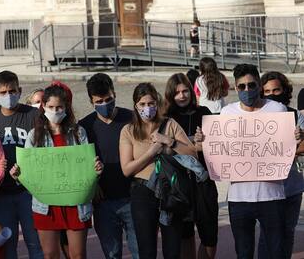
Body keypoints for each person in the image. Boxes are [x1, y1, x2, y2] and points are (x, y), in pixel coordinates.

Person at [195, 64, 299, 259]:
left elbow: (288, 146)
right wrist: (202, 140)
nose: (247, 90)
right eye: (241, 86)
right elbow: (215, 148)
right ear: (235, 88)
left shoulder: (278, 110)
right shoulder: (226, 114)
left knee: (275, 252)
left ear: (259, 85)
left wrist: (296, 136)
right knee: (243, 253)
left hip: (272, 196)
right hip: (239, 199)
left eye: (251, 85)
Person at [11, 84, 103, 259]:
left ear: (66, 107)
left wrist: (97, 170)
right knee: (50, 255)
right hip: (46, 206)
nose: (55, 111)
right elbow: (27, 173)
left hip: (76, 205)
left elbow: (88, 169)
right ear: (43, 107)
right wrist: (17, 174)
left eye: (59, 107)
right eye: (51, 107)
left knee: (77, 255)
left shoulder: (78, 132)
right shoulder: (34, 136)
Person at [119, 82, 197, 258]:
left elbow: (192, 155)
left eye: (151, 103)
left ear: (157, 103)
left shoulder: (170, 124)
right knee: (146, 250)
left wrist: (170, 142)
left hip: (170, 190)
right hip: (143, 192)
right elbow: (127, 169)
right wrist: (151, 153)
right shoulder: (128, 130)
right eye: (143, 104)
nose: (147, 108)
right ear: (135, 106)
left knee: (172, 249)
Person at [0, 71, 43, 259]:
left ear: (19, 91)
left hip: (30, 192)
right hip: (1, 194)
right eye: (2, 92)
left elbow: (46, 149)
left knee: (35, 242)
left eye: (12, 91)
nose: (8, 96)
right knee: (7, 246)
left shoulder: (34, 115)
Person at [79, 73, 139, 259]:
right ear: (91, 101)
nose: (105, 104)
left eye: (108, 99)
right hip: (103, 202)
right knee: (112, 254)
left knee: (140, 251)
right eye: (99, 101)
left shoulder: (132, 119)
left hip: (133, 197)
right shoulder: (84, 127)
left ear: (115, 94)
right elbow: (80, 163)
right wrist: (92, 185)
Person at [164, 73, 219, 259]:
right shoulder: (166, 117)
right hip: (178, 185)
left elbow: (216, 145)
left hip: (204, 182)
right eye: (177, 92)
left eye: (185, 90)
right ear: (170, 95)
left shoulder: (203, 113)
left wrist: (203, 143)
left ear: (191, 91)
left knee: (209, 234)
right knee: (185, 234)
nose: (182, 96)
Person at [258, 71, 304, 259]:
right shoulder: (255, 118)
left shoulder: (294, 115)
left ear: (285, 90)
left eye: (276, 90)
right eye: (267, 91)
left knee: (287, 232)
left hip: (291, 187)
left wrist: (288, 152)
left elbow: (303, 144)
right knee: (267, 234)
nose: (272, 95)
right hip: (266, 188)